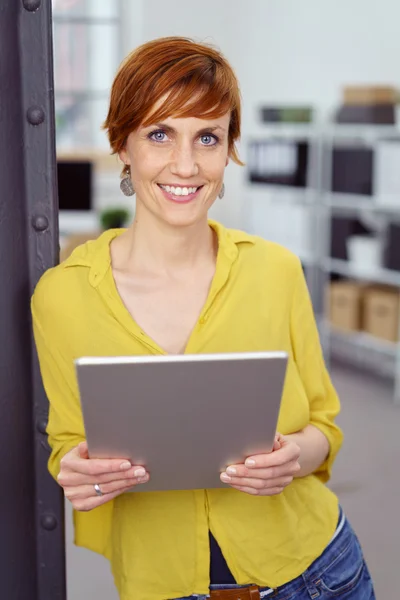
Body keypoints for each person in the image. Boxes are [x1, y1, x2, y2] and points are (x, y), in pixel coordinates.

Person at [31, 36, 375, 600]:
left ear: (228, 149)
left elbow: (325, 428)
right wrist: (74, 469)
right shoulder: (61, 296)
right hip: (164, 585)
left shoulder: (277, 272)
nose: (186, 165)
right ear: (123, 144)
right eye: (159, 134)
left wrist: (291, 458)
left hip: (319, 572)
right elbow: (69, 441)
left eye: (208, 137)